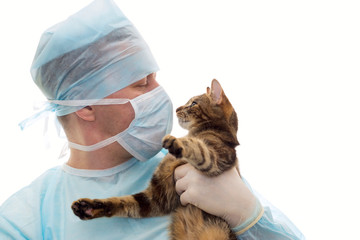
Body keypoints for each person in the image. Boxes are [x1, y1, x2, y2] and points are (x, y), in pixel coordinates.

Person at [0, 0, 305, 239]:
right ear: (87, 107)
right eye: (141, 83)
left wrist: (247, 214)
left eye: (154, 78)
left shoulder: (193, 172)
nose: (160, 94)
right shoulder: (25, 219)